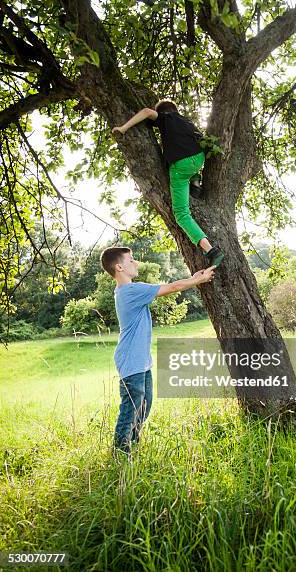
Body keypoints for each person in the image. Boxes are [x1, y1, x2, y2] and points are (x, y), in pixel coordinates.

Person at [100, 245, 216, 455]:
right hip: (131, 360)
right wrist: (198, 280)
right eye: (131, 260)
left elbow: (172, 285)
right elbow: (171, 288)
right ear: (119, 267)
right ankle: (120, 453)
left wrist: (193, 277)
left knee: (145, 405)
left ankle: (132, 446)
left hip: (141, 360)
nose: (136, 263)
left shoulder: (129, 290)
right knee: (131, 409)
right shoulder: (130, 291)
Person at [112, 100, 224, 267]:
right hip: (198, 159)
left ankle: (210, 250)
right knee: (189, 169)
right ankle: (195, 181)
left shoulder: (166, 119)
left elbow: (146, 111)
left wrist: (123, 128)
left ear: (163, 113)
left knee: (181, 214)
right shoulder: (185, 121)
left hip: (181, 165)